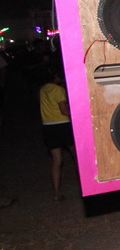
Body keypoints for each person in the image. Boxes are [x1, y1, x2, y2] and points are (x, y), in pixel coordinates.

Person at [39, 64, 73, 201]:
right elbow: (63, 111)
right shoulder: (58, 90)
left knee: (56, 160)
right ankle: (87, 184)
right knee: (77, 156)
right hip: (62, 125)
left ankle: (57, 193)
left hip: (48, 127)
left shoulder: (43, 89)